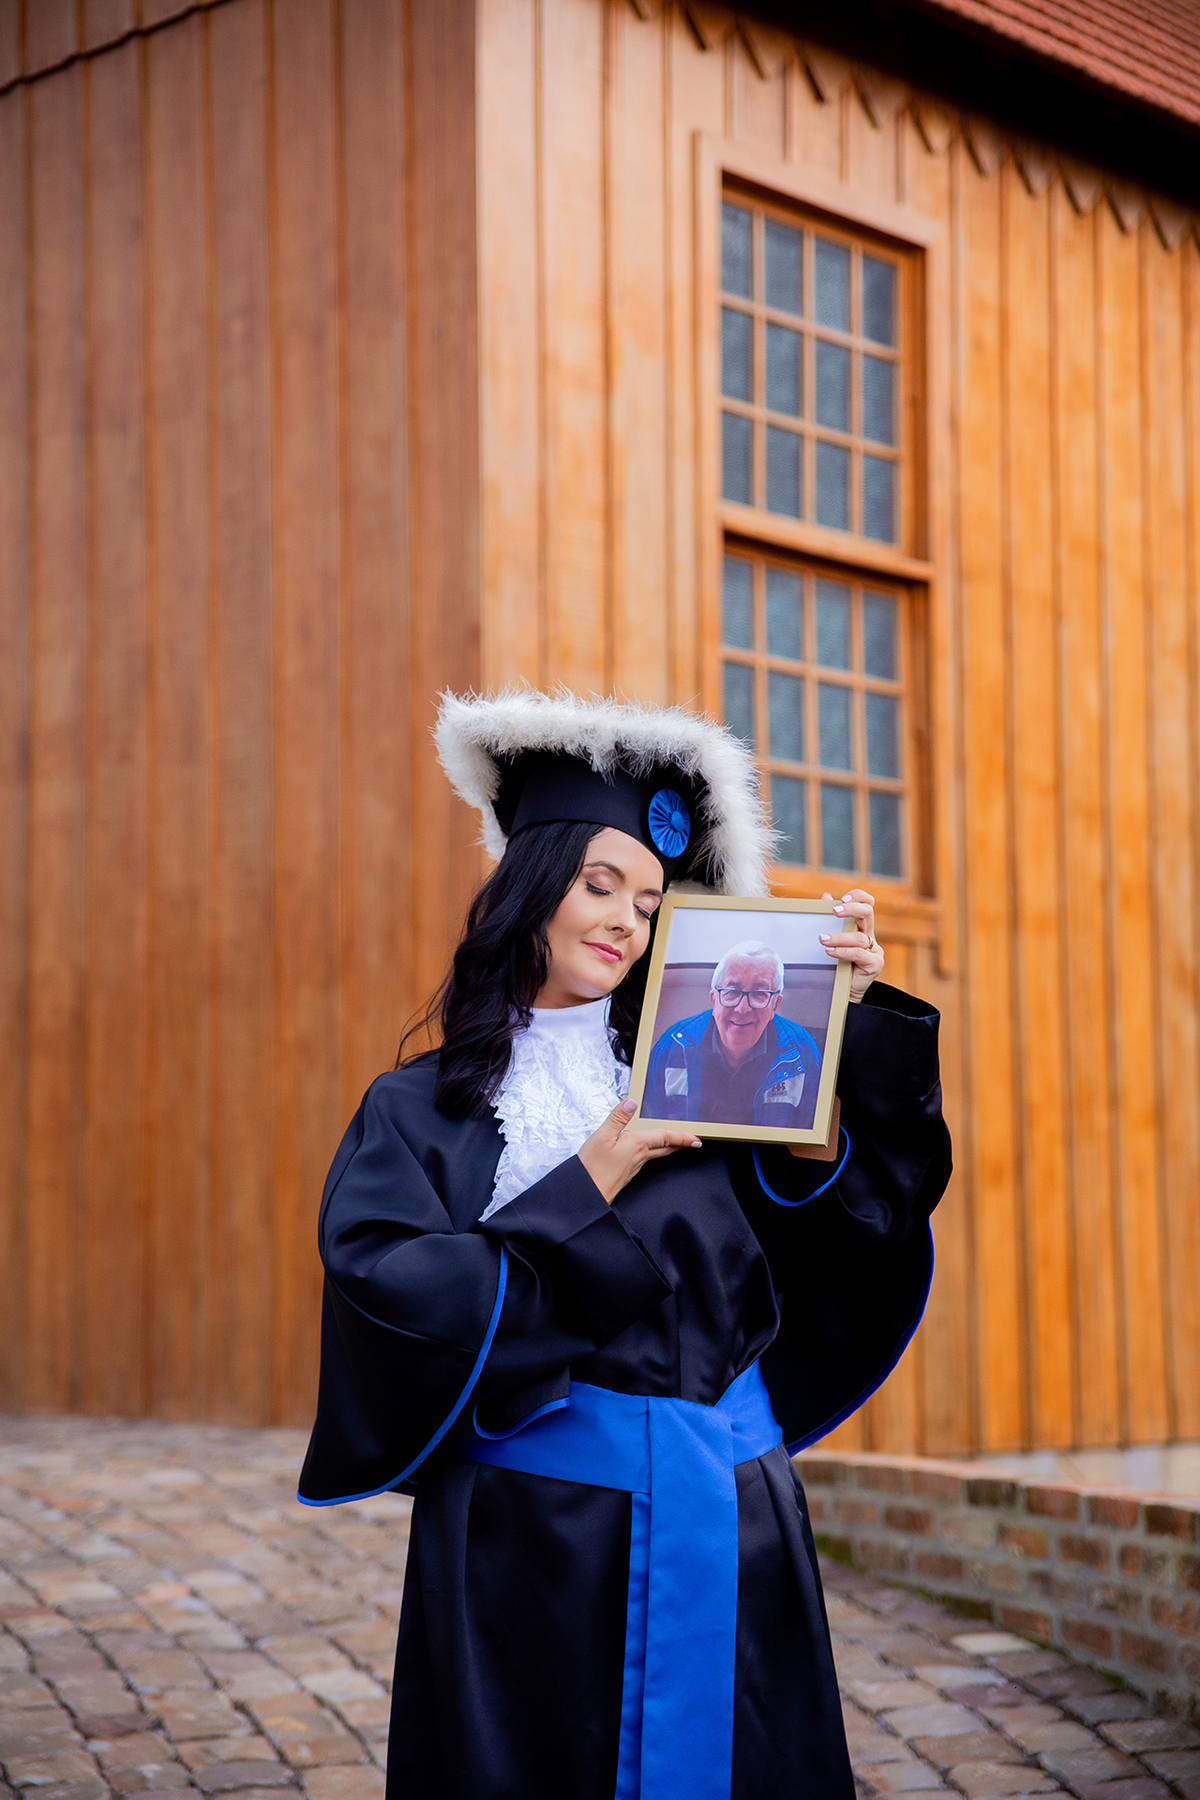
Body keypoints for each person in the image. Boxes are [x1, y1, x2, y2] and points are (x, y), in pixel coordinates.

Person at [298, 689, 952, 1800]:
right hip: (528, 1541)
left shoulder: (702, 1073)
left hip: (730, 1514)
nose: (622, 922)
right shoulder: (419, 1110)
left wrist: (835, 1021)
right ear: (529, 884)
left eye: (649, 904)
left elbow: (853, 1230)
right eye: (600, 886)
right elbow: (397, 1291)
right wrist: (595, 1172)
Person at [642, 938, 823, 1128]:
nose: (742, 1008)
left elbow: (806, 1130)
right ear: (714, 999)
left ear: (775, 1005)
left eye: (759, 993)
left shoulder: (803, 1052)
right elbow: (651, 1121)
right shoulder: (672, 1045)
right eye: (732, 991)